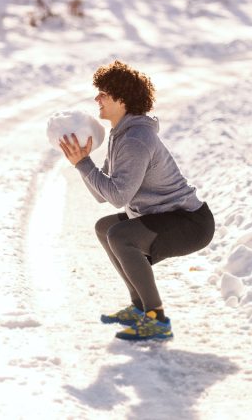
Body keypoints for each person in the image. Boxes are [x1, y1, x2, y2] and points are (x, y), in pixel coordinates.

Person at [59, 61, 214, 341]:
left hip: (190, 222)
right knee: (105, 228)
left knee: (121, 235)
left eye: (103, 93)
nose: (97, 99)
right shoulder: (121, 136)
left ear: (121, 99)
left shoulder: (135, 139)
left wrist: (84, 165)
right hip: (166, 216)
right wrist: (82, 163)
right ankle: (140, 307)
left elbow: (119, 197)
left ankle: (156, 319)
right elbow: (102, 195)